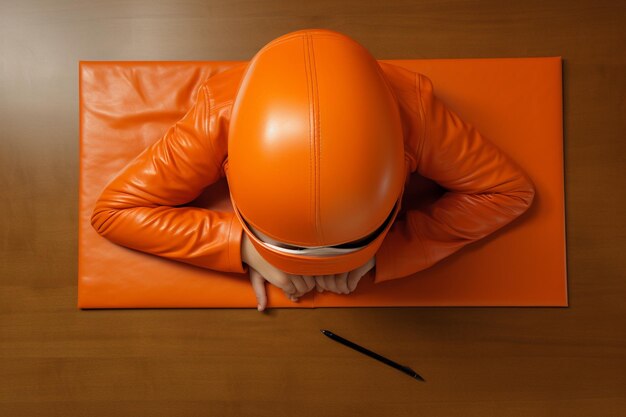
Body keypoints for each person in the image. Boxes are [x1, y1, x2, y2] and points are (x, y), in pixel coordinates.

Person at [90, 28, 536, 312]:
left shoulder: (410, 110)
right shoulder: (224, 110)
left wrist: (385, 255)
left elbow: (509, 192)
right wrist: (244, 248)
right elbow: (112, 211)